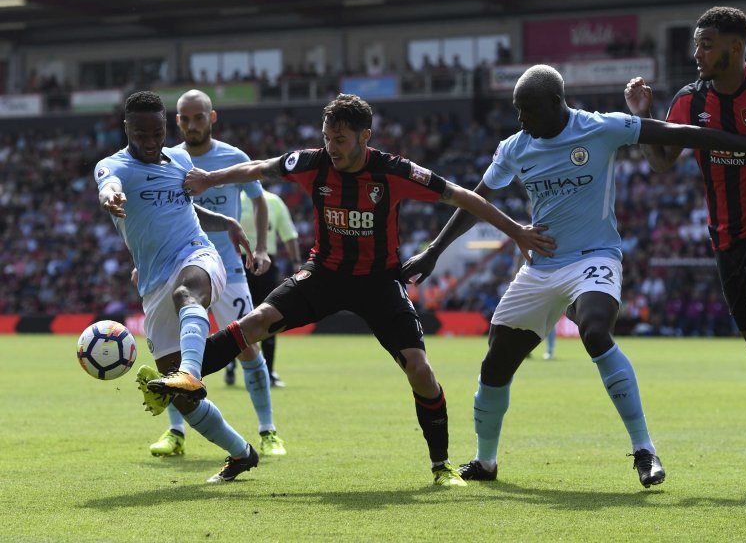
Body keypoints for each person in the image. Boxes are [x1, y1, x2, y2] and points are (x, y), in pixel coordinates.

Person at [400, 64, 746, 489]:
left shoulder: (602, 128)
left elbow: (683, 133)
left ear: (556, 103)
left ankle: (645, 450)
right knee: (496, 362)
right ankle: (485, 461)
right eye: (517, 110)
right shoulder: (514, 148)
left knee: (594, 330)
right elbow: (475, 201)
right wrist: (433, 252)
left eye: (528, 110)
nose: (521, 119)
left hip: (595, 258)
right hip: (541, 266)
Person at [167, 93, 554, 487]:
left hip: (378, 283)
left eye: (340, 140)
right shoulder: (311, 162)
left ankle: (442, 466)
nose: (331, 148)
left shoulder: (394, 172)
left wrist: (516, 230)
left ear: (364, 137)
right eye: (326, 138)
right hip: (324, 275)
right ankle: (181, 374)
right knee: (256, 322)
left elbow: (463, 197)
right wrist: (209, 179)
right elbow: (258, 168)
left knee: (420, 370)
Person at [625, 6, 746, 490]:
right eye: (696, 44)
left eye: (706, 44)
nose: (697, 53)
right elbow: (661, 161)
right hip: (725, 239)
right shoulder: (689, 100)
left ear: (735, 47)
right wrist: (642, 115)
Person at [95, 90, 259, 483]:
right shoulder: (113, 166)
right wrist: (110, 196)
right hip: (153, 282)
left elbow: (185, 206)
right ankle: (242, 453)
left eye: (157, 131)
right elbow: (109, 185)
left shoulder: (181, 159)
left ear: (166, 128)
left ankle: (190, 369)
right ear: (126, 129)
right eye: (141, 132)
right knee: (181, 400)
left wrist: (227, 223)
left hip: (197, 255)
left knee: (189, 292)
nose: (150, 140)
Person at [146, 89, 286, 459]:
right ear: (177, 121)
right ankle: (175, 432)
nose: (192, 124)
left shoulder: (233, 157)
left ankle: (268, 430)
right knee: (175, 359)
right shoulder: (169, 160)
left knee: (247, 347)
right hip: (177, 266)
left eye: (198, 117)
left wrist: (260, 249)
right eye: (185, 118)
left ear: (212, 117)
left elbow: (257, 199)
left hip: (227, 268)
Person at [226, 189, 302, 388]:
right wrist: (295, 262)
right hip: (243, 263)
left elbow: (289, 234)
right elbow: (290, 235)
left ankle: (263, 369)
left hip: (262, 263)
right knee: (249, 316)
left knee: (262, 314)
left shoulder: (270, 201)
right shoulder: (243, 199)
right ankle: (236, 366)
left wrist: (296, 263)